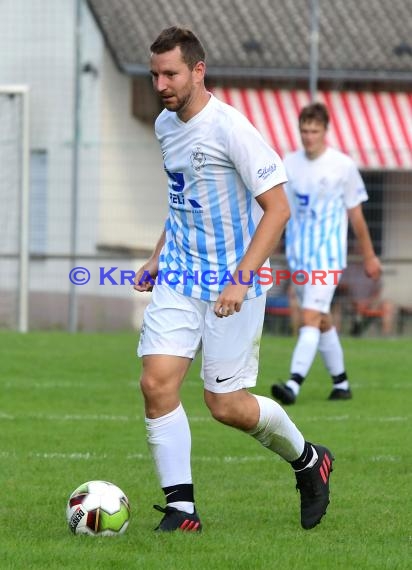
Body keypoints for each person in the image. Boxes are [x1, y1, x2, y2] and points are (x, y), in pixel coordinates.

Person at [133, 27, 334, 533]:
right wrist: (158, 256)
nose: (161, 84)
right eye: (155, 73)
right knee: (156, 384)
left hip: (232, 285)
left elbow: (278, 207)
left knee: (226, 406)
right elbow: (184, 201)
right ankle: (181, 511)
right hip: (181, 275)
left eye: (171, 73)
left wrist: (240, 280)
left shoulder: (231, 129)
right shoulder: (163, 125)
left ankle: (309, 460)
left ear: (198, 71)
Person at [271, 103, 381, 406]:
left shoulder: (342, 166)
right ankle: (341, 383)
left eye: (314, 131)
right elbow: (280, 210)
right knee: (320, 320)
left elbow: (356, 215)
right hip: (299, 255)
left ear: (325, 131)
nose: (308, 137)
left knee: (308, 316)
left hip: (328, 257)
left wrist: (369, 256)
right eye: (304, 131)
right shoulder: (289, 164)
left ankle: (293, 384)